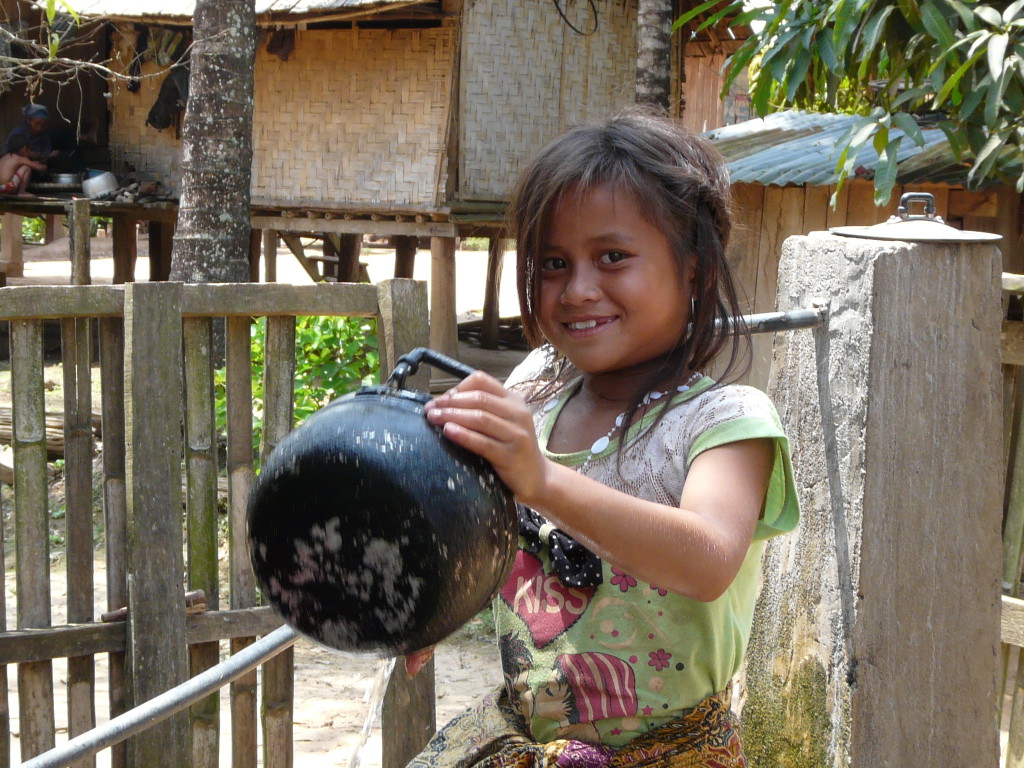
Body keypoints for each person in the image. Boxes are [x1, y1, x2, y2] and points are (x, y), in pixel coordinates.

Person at [409, 108, 799, 768]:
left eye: (612, 257)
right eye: (554, 263)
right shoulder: (535, 388)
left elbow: (706, 560)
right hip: (521, 739)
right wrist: (430, 603)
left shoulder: (727, 422)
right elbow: (489, 532)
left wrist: (544, 481)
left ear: (696, 268)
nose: (578, 290)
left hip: (666, 753)